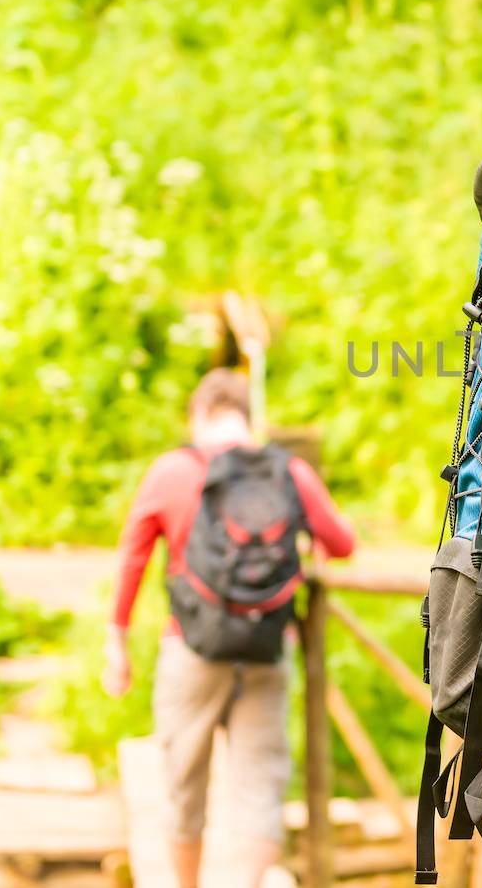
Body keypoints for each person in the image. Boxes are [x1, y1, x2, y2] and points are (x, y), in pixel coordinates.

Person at [103, 368, 357, 888]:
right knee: (260, 788)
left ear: (198, 415)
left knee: (182, 785)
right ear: (247, 418)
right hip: (269, 646)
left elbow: (132, 555)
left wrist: (117, 642)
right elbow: (344, 543)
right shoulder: (288, 473)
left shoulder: (171, 471)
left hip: (190, 649)